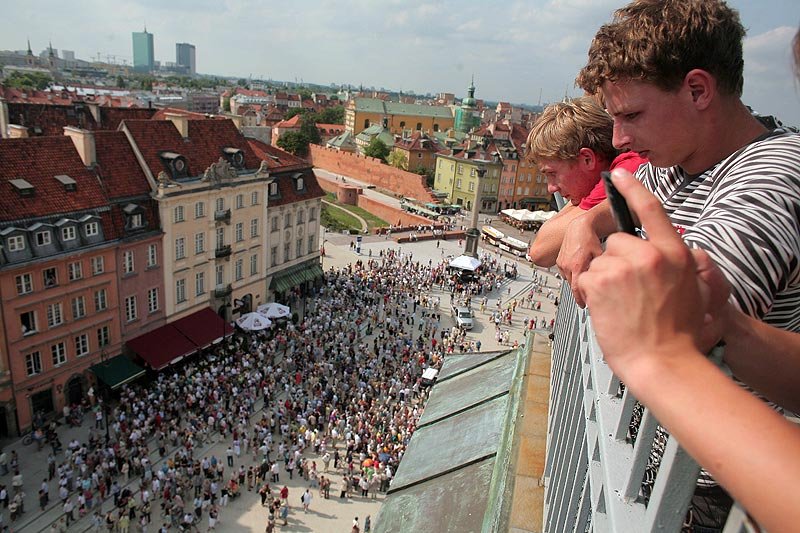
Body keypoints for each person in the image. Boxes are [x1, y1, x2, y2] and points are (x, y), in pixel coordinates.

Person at [578, 169, 800, 532]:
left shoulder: (770, 179)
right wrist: (727, 325)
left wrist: (663, 365)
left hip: (712, 480)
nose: (618, 141)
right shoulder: (668, 168)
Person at [558, 0, 800, 331]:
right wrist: (585, 223)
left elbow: (688, 319)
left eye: (632, 115)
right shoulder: (682, 152)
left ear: (698, 91)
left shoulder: (774, 174)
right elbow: (634, 201)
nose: (618, 140)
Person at [526, 96, 646, 266]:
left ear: (588, 159)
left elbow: (541, 251)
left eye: (552, 173)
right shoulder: (621, 164)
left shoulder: (626, 170)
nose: (551, 188)